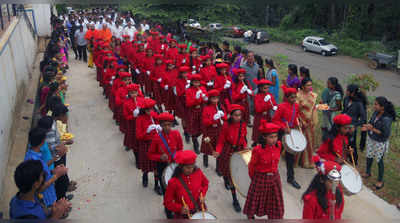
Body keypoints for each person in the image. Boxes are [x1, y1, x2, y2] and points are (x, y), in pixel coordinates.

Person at [243, 121, 284, 219]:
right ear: (264, 137)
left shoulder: (279, 145)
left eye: (275, 136)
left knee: (275, 204)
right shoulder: (258, 150)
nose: (274, 139)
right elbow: (251, 166)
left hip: (274, 178)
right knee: (255, 201)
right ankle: (251, 216)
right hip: (260, 178)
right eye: (271, 137)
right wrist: (255, 179)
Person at [214, 104, 247, 212]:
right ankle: (234, 199)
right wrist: (218, 151)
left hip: (239, 150)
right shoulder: (226, 126)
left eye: (240, 115)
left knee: (237, 173)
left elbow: (244, 138)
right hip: (228, 150)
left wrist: (245, 148)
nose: (238, 117)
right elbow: (221, 141)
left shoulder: (243, 125)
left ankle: (227, 179)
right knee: (229, 174)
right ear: (231, 115)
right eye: (236, 115)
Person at [25, 128, 68, 207]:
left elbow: (43, 168)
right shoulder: (34, 161)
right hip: (45, 201)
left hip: (49, 196)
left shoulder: (34, 153)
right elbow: (39, 189)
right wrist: (57, 175)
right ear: (42, 142)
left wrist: (53, 171)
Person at [361, 96, 396, 190]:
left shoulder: (386, 119)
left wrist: (371, 128)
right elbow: (372, 122)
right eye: (374, 104)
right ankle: (368, 172)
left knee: (379, 160)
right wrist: (367, 126)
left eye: (376, 104)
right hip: (372, 138)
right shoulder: (376, 112)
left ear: (382, 107)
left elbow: (385, 134)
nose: (374, 106)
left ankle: (380, 181)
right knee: (369, 155)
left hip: (380, 142)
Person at [164, 150, 209, 219]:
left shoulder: (198, 172)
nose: (191, 169)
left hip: (199, 208)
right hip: (183, 215)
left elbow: (205, 183)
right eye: (188, 168)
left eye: (192, 166)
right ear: (181, 167)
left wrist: (202, 194)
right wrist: (180, 208)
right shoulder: (173, 182)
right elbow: (167, 203)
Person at [272, 85, 301, 189]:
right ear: (286, 97)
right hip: (281, 133)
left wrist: (297, 123)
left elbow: (296, 116)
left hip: (290, 133)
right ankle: (271, 173)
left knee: (290, 157)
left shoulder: (296, 106)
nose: (293, 99)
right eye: (291, 97)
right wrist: (284, 127)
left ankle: (291, 178)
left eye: (295, 97)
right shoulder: (281, 106)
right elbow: (275, 120)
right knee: (276, 154)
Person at [148, 112, 183, 195]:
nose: (167, 127)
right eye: (164, 125)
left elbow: (180, 149)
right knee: (166, 190)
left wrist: (176, 156)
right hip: (162, 166)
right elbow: (150, 154)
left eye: (169, 125)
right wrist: (160, 157)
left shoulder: (176, 134)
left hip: (175, 164)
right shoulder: (156, 137)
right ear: (160, 125)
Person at [136, 98, 160, 188]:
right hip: (146, 144)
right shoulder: (139, 119)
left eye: (151, 109)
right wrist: (147, 131)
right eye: (148, 110)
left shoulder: (154, 115)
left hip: (155, 143)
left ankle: (156, 185)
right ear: (143, 110)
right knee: (146, 164)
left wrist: (159, 127)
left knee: (156, 166)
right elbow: (138, 136)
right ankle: (145, 176)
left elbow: (159, 122)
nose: (150, 111)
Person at [342, 84, 367, 165]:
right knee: (343, 142)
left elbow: (363, 118)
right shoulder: (346, 99)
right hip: (344, 125)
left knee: (351, 144)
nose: (346, 92)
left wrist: (355, 125)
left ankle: (354, 160)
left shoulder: (359, 104)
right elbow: (344, 110)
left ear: (352, 93)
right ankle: (344, 157)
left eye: (348, 91)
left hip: (352, 127)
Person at [200, 89, 225, 168]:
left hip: (219, 130)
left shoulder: (220, 106)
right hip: (209, 131)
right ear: (210, 99)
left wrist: (223, 115)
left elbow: (225, 117)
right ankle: (205, 158)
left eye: (217, 98)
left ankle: (218, 168)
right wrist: (213, 119)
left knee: (218, 149)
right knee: (207, 147)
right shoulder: (206, 108)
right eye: (213, 98)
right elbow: (204, 121)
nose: (215, 100)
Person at [297, 78, 318, 168]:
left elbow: (314, 109)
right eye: (308, 85)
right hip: (301, 121)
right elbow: (296, 110)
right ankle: (299, 161)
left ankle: (309, 161)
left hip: (310, 122)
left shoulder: (313, 95)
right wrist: (301, 121)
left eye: (311, 85)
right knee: (301, 140)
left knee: (309, 141)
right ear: (302, 86)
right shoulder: (298, 95)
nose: (310, 87)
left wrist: (313, 120)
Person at [185, 74, 208, 154]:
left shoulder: (202, 88)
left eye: (198, 82)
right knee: (194, 128)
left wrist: (205, 98)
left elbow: (206, 99)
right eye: (195, 82)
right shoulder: (188, 91)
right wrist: (196, 98)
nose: (197, 84)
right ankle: (195, 144)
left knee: (203, 126)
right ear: (192, 82)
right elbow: (188, 103)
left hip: (202, 110)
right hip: (193, 111)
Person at [252, 78, 277, 144]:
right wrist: (264, 102)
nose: (267, 90)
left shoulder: (270, 95)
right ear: (260, 88)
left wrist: (275, 107)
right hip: (259, 117)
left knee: (267, 131)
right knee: (258, 131)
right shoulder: (257, 96)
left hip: (267, 117)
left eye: (268, 88)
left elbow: (273, 103)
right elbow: (258, 109)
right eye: (265, 88)